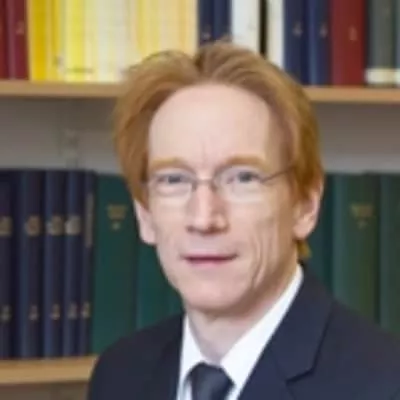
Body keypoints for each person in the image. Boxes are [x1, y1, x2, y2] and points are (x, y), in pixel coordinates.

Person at [87, 41, 400, 400]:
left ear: (305, 204)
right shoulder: (120, 375)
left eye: (242, 178)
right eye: (174, 179)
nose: (204, 218)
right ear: (144, 212)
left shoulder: (385, 385)